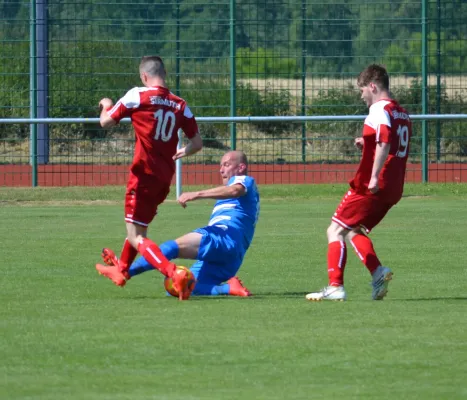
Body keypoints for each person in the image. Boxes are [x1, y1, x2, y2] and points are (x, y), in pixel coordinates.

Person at [96, 55, 203, 300]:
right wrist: (182, 151)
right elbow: (197, 143)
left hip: (143, 174)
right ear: (163, 75)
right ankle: (121, 270)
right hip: (164, 178)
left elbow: (105, 122)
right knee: (137, 227)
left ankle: (172, 272)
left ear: (144, 76)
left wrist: (106, 104)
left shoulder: (138, 95)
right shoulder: (180, 104)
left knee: (136, 235)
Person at [306, 64, 412, 301]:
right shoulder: (401, 113)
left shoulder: (378, 110)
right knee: (354, 229)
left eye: (362, 90)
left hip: (371, 184)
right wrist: (367, 144)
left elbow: (384, 142)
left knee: (334, 230)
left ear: (372, 86)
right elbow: (392, 144)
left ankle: (335, 287)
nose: (362, 96)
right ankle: (377, 272)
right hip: (394, 187)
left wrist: (373, 176)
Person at [96, 150, 259, 297]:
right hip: (232, 258)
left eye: (226, 164)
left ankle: (124, 272)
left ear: (241, 167)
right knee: (179, 287)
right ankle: (229, 289)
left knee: (171, 247)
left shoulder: (244, 180)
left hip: (223, 237)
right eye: (220, 165)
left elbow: (235, 190)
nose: (221, 170)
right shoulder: (237, 197)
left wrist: (197, 194)